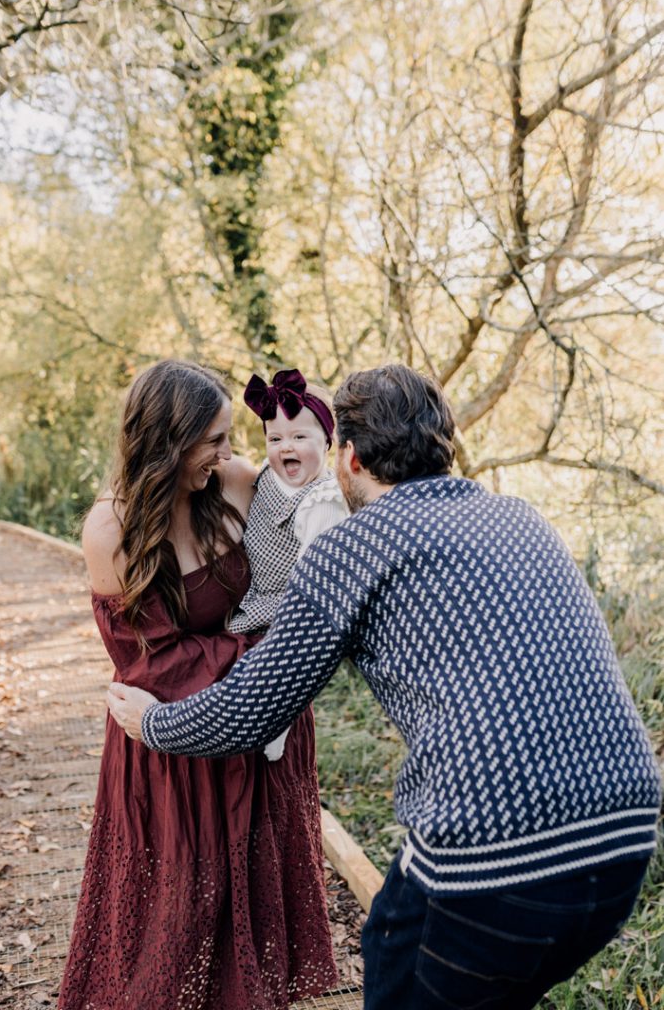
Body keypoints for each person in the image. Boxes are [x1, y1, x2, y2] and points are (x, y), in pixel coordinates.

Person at [107, 364, 662, 1010]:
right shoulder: (519, 515)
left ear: (348, 458)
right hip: (625, 839)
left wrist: (153, 723)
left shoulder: (350, 548)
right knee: (393, 936)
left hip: (498, 860)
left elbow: (254, 710)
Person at [59, 360, 338, 1010]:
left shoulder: (238, 485)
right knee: (176, 913)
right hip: (168, 742)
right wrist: (270, 657)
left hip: (259, 732)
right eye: (213, 439)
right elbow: (149, 665)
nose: (230, 452)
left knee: (253, 900)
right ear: (166, 441)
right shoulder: (111, 532)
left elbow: (317, 518)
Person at [229, 368, 347, 760]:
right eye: (275, 438)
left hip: (286, 611)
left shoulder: (323, 500)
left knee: (271, 673)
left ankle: (276, 722)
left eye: (299, 437)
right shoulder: (266, 478)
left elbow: (314, 590)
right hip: (252, 600)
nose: (285, 448)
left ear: (327, 442)